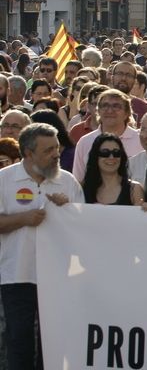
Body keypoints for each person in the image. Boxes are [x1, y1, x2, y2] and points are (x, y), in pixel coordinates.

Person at [0, 123, 83, 369]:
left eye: (57, 148)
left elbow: (82, 227)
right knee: (19, 339)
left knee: (52, 341)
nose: (56, 154)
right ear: (28, 153)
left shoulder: (67, 182)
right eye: (48, 150)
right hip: (16, 273)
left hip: (56, 275)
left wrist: (67, 210)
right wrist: (22, 219)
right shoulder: (4, 180)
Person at [73, 89, 143, 181]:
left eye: (116, 106)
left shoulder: (140, 140)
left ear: (127, 113)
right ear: (98, 111)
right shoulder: (85, 142)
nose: (110, 111)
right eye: (105, 106)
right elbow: (78, 182)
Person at [81, 133, 143, 205]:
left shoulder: (134, 190)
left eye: (116, 153)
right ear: (95, 156)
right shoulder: (83, 189)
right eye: (105, 153)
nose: (111, 157)